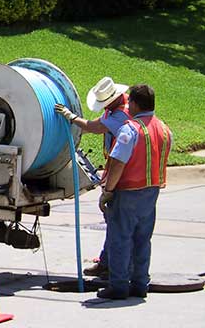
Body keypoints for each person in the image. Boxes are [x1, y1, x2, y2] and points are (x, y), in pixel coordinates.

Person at [96, 84, 172, 300]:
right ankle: (140, 284)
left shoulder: (131, 129)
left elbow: (118, 162)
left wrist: (108, 191)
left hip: (128, 191)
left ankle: (118, 286)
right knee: (142, 239)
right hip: (151, 192)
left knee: (120, 238)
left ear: (135, 104)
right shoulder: (164, 128)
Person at [54, 77, 131, 278]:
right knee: (118, 221)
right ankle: (112, 261)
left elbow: (94, 127)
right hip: (120, 166)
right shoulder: (125, 102)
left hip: (120, 170)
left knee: (115, 220)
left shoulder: (120, 116)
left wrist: (71, 117)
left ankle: (112, 265)